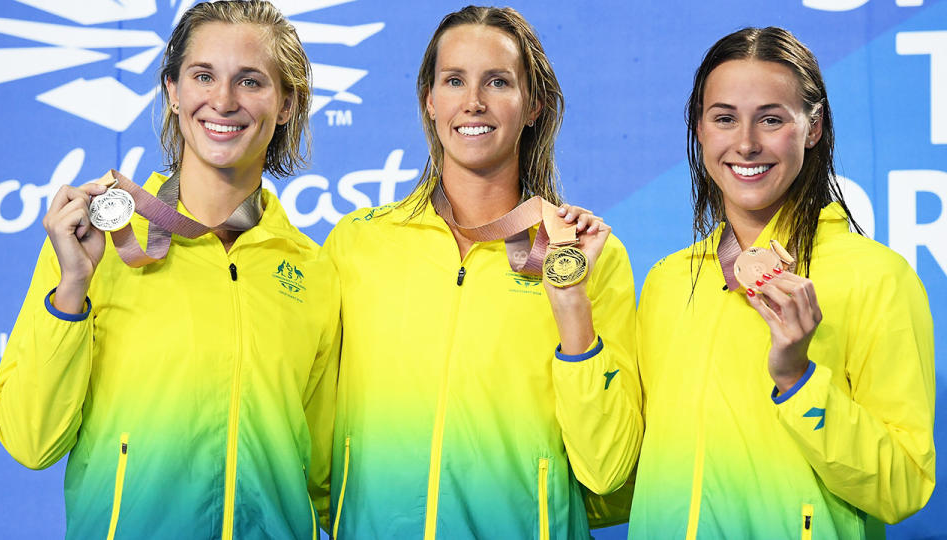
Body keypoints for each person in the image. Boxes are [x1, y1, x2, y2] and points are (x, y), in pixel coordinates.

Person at [0, 2, 340, 539]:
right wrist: (72, 291)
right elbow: (30, 440)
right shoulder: (96, 241)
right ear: (173, 92)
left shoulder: (312, 271)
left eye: (251, 81)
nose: (223, 100)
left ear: (287, 102)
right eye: (203, 76)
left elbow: (322, 480)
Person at [322, 6, 642, 539]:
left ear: (534, 105)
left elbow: (610, 473)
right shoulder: (358, 243)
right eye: (454, 80)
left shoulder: (588, 257)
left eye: (497, 82)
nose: (473, 102)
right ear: (430, 100)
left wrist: (570, 301)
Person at [629, 27, 935, 539]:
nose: (746, 144)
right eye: (724, 118)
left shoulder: (877, 278)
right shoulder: (666, 281)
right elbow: (624, 475)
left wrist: (798, 381)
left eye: (771, 119)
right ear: (700, 130)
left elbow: (903, 487)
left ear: (812, 128)